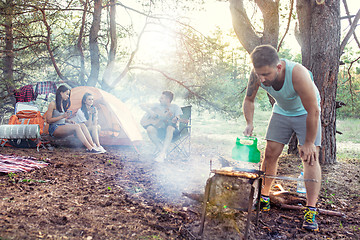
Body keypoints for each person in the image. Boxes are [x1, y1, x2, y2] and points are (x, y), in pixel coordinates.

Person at [242, 45, 322, 231]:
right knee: (270, 153)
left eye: (266, 74)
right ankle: (264, 197)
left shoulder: (297, 73)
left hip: (306, 112)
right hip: (281, 111)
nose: (261, 79)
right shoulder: (257, 74)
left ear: (278, 67)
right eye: (259, 74)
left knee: (310, 158)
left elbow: (313, 110)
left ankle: (311, 210)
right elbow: (249, 100)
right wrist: (249, 123)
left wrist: (309, 143)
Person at [46, 85, 102, 154]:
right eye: (67, 94)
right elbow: (48, 120)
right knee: (77, 126)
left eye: (68, 95)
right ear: (61, 93)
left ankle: (93, 146)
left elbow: (61, 119)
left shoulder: (62, 104)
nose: (68, 96)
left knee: (82, 125)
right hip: (54, 128)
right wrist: (63, 116)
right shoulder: (52, 103)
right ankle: (90, 148)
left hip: (62, 125)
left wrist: (68, 120)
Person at [140, 91, 182, 162]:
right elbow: (141, 105)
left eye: (162, 98)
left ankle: (162, 153)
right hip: (160, 130)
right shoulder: (157, 105)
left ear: (168, 100)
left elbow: (178, 117)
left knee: (169, 128)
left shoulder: (175, 107)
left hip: (173, 131)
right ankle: (162, 150)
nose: (159, 100)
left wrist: (176, 118)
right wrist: (150, 112)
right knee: (149, 129)